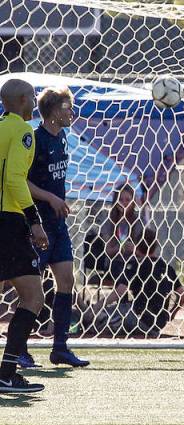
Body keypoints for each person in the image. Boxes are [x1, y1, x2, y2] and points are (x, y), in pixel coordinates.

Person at [25, 85, 89, 367]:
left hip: (58, 224)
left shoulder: (63, 137)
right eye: (66, 107)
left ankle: (60, 347)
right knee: (30, 291)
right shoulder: (34, 139)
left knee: (66, 281)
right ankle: (19, 349)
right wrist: (50, 197)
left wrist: (59, 201)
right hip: (36, 224)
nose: (71, 112)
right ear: (51, 111)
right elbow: (21, 181)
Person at [0, 78, 47, 392]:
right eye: (32, 96)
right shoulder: (23, 131)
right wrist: (34, 221)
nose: (35, 101)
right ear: (20, 101)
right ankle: (7, 373)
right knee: (33, 296)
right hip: (9, 221)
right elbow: (15, 178)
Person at [80, 229, 184, 337]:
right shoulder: (167, 268)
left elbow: (120, 291)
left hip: (138, 318)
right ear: (156, 245)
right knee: (121, 309)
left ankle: (96, 320)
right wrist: (172, 313)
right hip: (157, 324)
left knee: (108, 314)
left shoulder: (137, 265)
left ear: (137, 245)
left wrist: (98, 306)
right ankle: (100, 318)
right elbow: (182, 295)